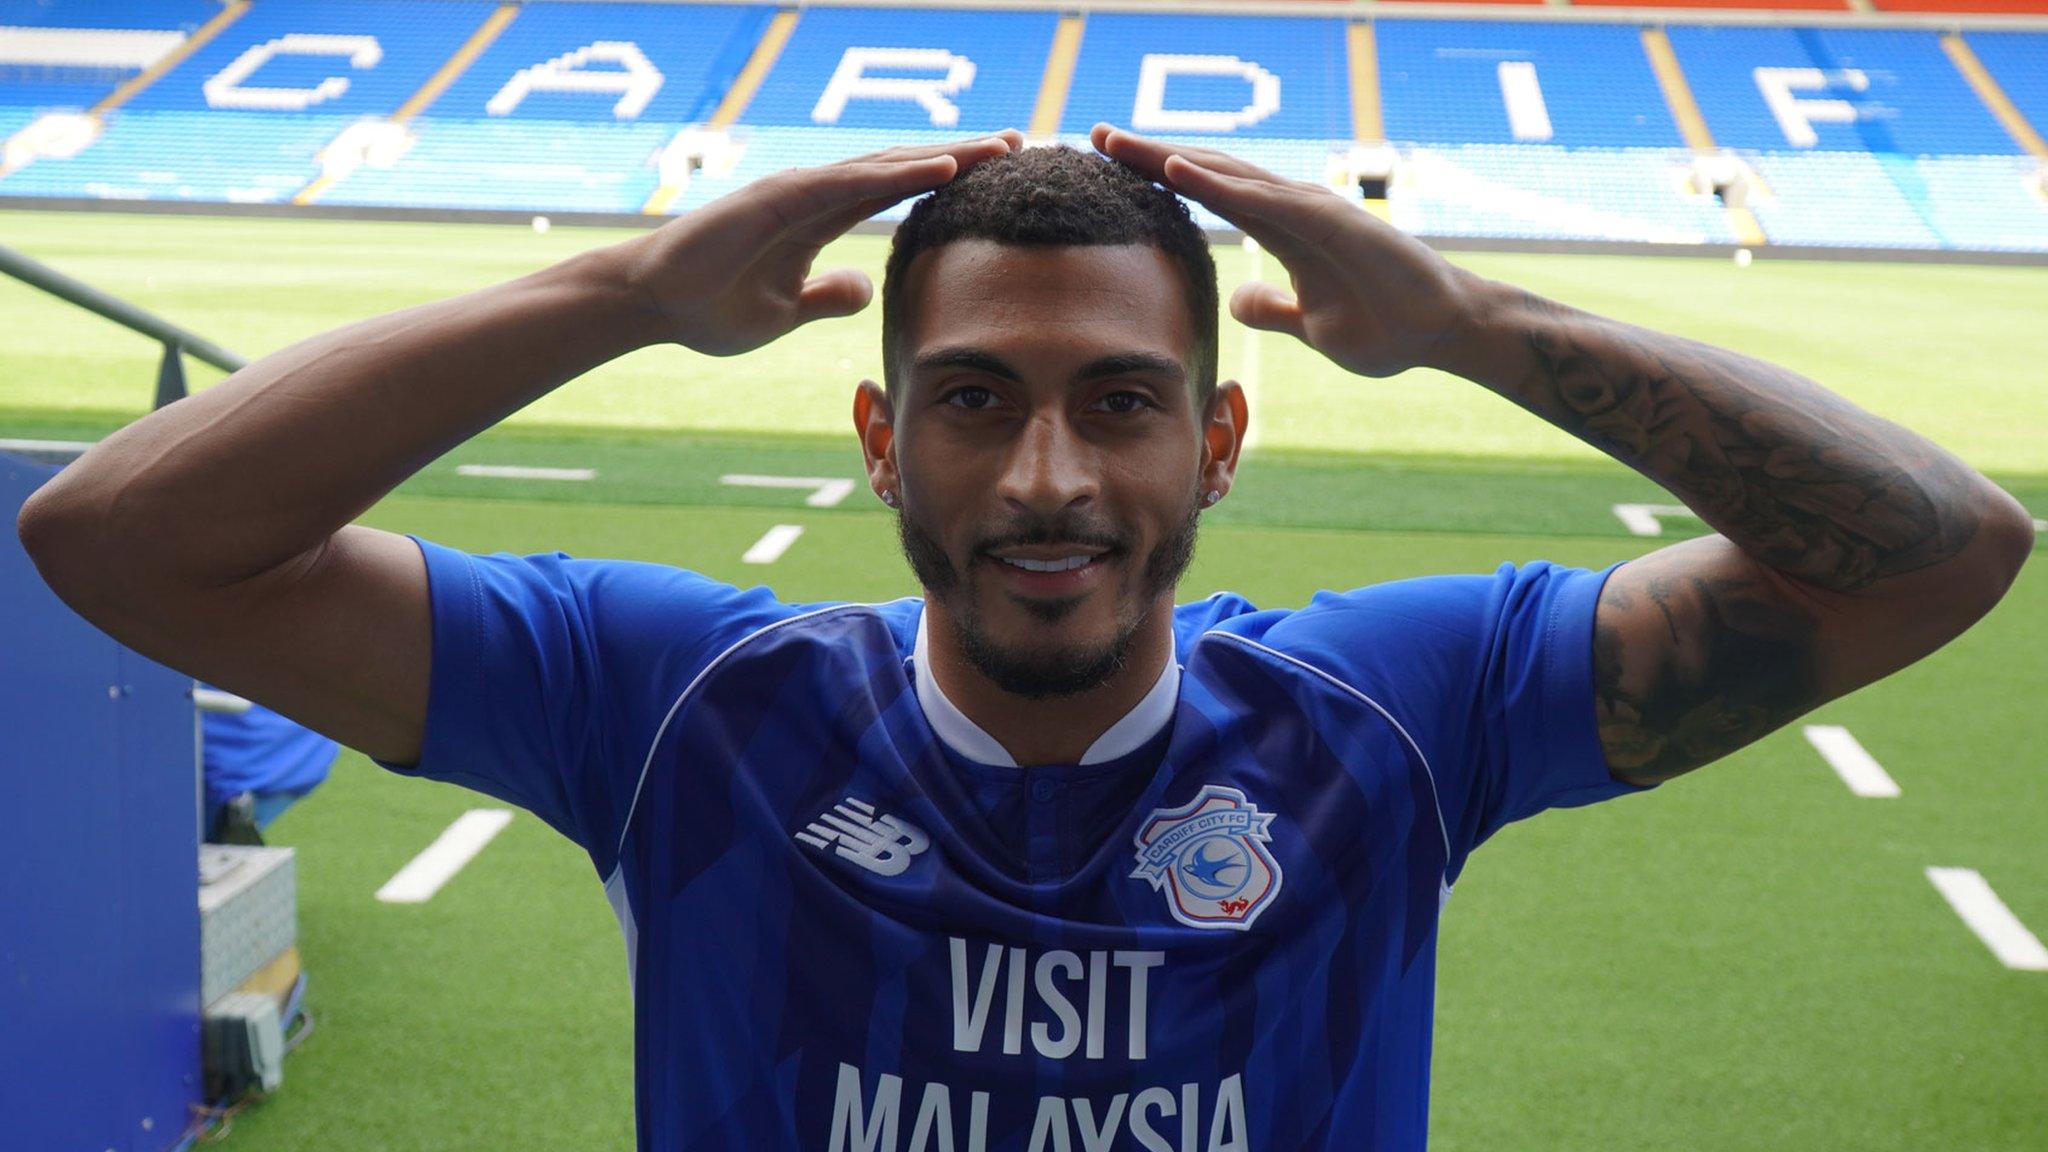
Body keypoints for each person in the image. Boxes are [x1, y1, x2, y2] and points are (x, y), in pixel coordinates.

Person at [18, 127, 2032, 1151]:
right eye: (975, 398)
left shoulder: (1394, 712)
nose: (1049, 477)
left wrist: (1476, 330)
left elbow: (1935, 557)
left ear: (1218, 436)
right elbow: (118, 540)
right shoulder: (682, 706)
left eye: (1123, 402)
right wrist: (627, 288)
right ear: (879, 436)